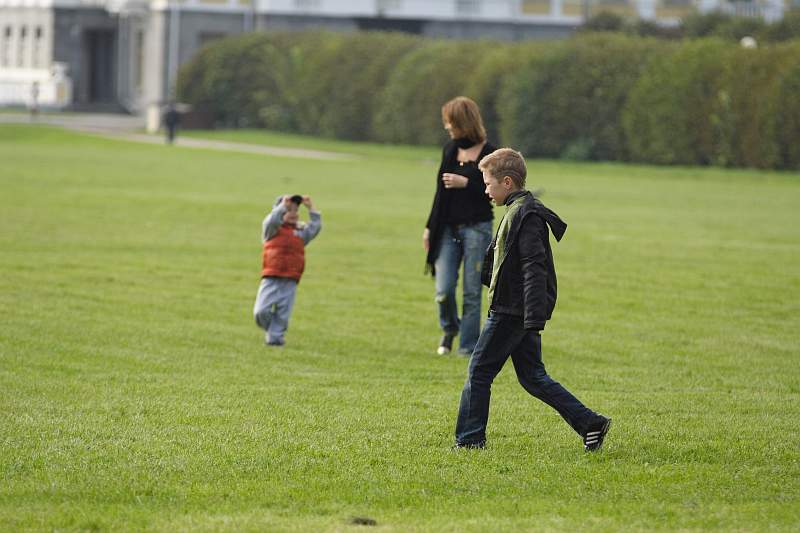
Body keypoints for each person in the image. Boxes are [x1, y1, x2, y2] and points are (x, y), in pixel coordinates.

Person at [453, 148, 611, 452]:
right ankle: (591, 423)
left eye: (488, 184)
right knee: (533, 377)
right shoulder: (517, 210)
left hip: (513, 311)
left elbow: (535, 268)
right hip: (516, 309)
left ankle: (470, 440)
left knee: (479, 371)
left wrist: (533, 316)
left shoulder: (527, 216)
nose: (485, 190)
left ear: (508, 182)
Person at [424, 96, 496, 356]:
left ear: (465, 123)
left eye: (451, 122)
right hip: (446, 229)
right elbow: (439, 194)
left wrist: (467, 183)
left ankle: (467, 348)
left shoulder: (490, 153)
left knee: (472, 292)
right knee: (443, 290)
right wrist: (429, 228)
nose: (447, 127)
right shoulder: (450, 149)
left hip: (477, 228)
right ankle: (449, 327)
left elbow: (495, 193)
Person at [253, 194, 322, 346]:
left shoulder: (300, 233)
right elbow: (272, 219)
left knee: (283, 314)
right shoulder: (271, 230)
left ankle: (275, 340)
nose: (293, 213)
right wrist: (282, 206)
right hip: (271, 277)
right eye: (288, 210)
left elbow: (315, 227)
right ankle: (273, 331)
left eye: (296, 210)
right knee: (260, 312)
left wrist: (311, 208)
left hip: (290, 279)